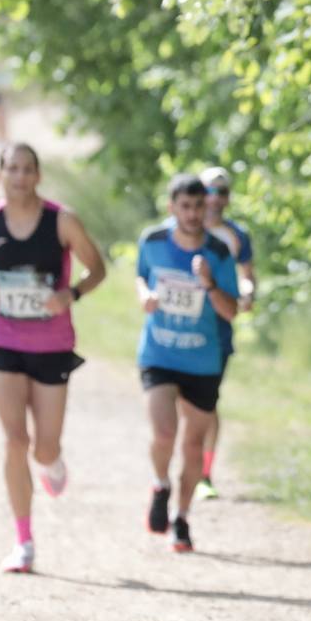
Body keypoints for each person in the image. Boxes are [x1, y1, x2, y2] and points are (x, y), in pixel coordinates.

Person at [0, 142, 106, 573]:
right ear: (0, 174)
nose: (20, 176)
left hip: (52, 345)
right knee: (14, 440)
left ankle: (53, 460)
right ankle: (23, 541)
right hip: (4, 340)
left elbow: (96, 268)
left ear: (38, 175)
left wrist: (71, 294)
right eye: (12, 169)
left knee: (44, 448)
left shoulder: (62, 220)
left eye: (28, 169)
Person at [135, 174, 239, 552]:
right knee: (164, 433)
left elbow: (230, 313)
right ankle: (161, 484)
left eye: (199, 206)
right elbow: (141, 277)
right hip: (158, 354)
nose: (193, 213)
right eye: (185, 206)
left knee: (193, 445)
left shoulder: (219, 252)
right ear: (172, 207)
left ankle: (181, 517)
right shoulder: (153, 241)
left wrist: (209, 284)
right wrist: (145, 294)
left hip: (202, 360)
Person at [197, 164, 257, 500]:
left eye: (222, 192)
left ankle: (205, 473)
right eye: (209, 191)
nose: (215, 198)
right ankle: (187, 461)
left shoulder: (236, 235)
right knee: (182, 400)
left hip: (219, 325)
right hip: (184, 325)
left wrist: (248, 292)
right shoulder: (186, 229)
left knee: (208, 401)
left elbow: (247, 273)